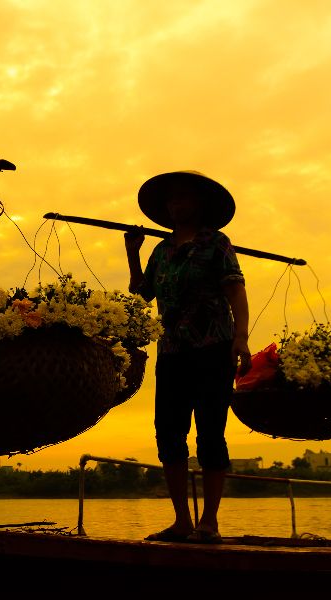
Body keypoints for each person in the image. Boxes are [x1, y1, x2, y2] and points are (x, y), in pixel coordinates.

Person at [124, 171, 251, 544]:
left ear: (198, 205)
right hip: (173, 352)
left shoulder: (216, 244)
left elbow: (236, 292)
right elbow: (142, 294)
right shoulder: (162, 250)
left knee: (211, 433)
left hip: (213, 348)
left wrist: (240, 339)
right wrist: (133, 252)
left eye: (184, 199)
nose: (178, 205)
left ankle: (209, 521)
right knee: (169, 434)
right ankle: (182, 521)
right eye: (172, 200)